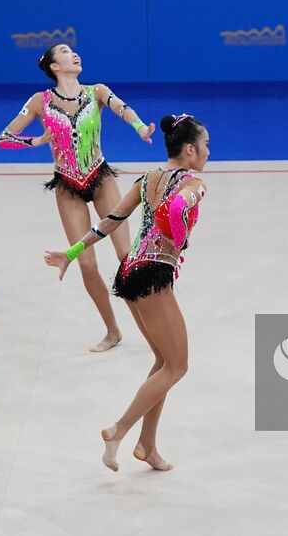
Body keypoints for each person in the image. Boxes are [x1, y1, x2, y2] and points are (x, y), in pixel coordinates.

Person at [43, 114, 209, 473]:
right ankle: (119, 429)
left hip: (129, 271)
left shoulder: (147, 177)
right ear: (191, 149)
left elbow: (111, 220)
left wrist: (72, 252)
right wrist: (178, 233)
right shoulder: (194, 182)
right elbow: (180, 206)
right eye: (206, 145)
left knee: (162, 362)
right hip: (153, 275)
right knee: (178, 366)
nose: (208, 152)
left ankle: (147, 446)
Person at [0, 44, 157, 352]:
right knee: (86, 263)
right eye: (65, 51)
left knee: (126, 257)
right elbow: (3, 139)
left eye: (73, 51)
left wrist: (139, 128)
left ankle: (150, 327)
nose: (74, 54)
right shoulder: (39, 101)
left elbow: (122, 108)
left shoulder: (96, 91)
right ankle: (112, 331)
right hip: (67, 184)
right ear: (54, 66)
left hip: (99, 177)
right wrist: (36, 140)